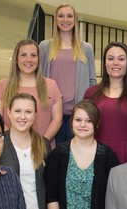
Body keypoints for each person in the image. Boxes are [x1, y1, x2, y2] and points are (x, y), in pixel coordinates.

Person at [84, 42, 127, 164]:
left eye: (121, 59)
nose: (115, 63)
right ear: (105, 63)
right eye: (110, 58)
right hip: (96, 157)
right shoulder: (92, 93)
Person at [45, 100, 119, 209]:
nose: (82, 125)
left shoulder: (108, 156)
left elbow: (114, 197)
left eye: (89, 121)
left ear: (96, 123)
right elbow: (51, 197)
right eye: (78, 120)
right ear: (72, 122)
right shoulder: (58, 154)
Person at [39, 3, 96, 145]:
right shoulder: (45, 47)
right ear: (56, 19)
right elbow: (38, 79)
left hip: (77, 115)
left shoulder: (86, 48)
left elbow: (92, 81)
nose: (65, 20)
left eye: (69, 16)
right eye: (61, 16)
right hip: (52, 114)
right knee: (52, 156)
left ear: (75, 20)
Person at [0, 39, 62, 147]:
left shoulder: (51, 85)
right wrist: (13, 143)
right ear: (16, 59)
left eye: (33, 55)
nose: (29, 60)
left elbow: (57, 120)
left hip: (43, 149)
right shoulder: (2, 85)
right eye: (23, 55)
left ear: (38, 59)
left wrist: (41, 144)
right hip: (10, 149)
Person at [0, 93, 51, 209]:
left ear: (35, 115)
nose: (22, 117)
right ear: (8, 112)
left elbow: (51, 185)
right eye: (17, 111)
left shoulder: (43, 144)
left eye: (28, 112)